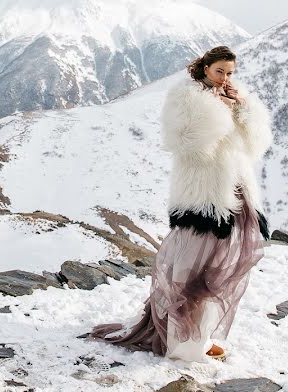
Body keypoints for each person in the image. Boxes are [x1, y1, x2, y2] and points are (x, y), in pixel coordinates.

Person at [89, 45, 272, 362]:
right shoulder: (185, 97)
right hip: (201, 194)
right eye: (219, 72)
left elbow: (256, 144)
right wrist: (218, 112)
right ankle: (180, 341)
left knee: (219, 269)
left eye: (230, 73)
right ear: (205, 68)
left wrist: (241, 107)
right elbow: (184, 143)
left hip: (235, 190)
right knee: (190, 269)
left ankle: (200, 337)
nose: (225, 78)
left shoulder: (235, 95)